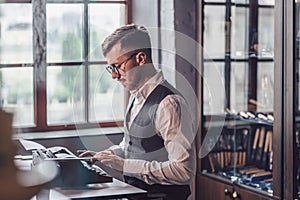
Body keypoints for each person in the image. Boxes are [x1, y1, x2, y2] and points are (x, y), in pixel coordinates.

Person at [79, 24, 196, 200]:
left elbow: (183, 170)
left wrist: (124, 165)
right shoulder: (136, 95)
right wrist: (109, 155)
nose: (114, 76)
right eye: (111, 68)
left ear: (141, 59)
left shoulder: (169, 104)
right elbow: (132, 145)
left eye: (118, 66)